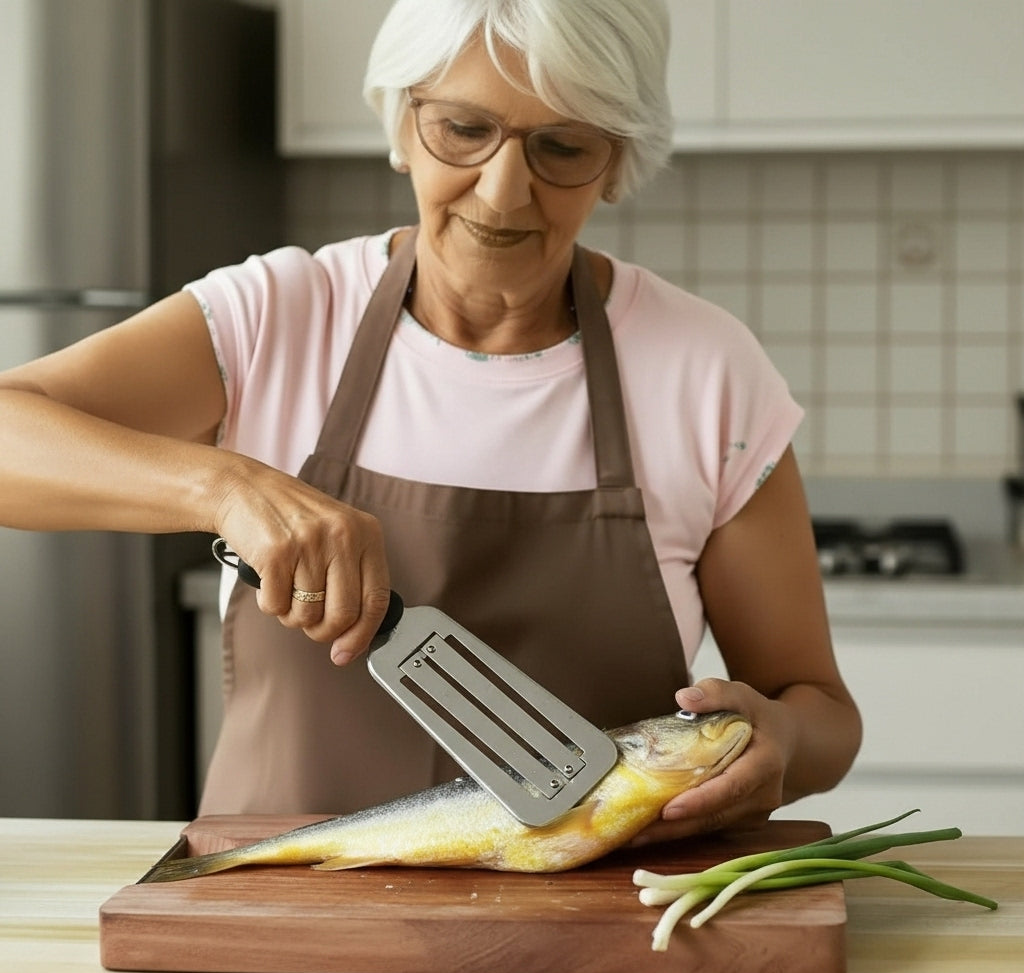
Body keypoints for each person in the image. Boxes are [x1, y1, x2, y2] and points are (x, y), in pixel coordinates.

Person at [0, 0, 860, 836]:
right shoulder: (278, 315)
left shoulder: (708, 372)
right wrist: (226, 487)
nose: (503, 191)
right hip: (286, 919)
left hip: (594, 935)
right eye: (462, 129)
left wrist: (779, 743)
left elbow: (817, 710)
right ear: (404, 123)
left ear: (617, 158)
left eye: (563, 146)